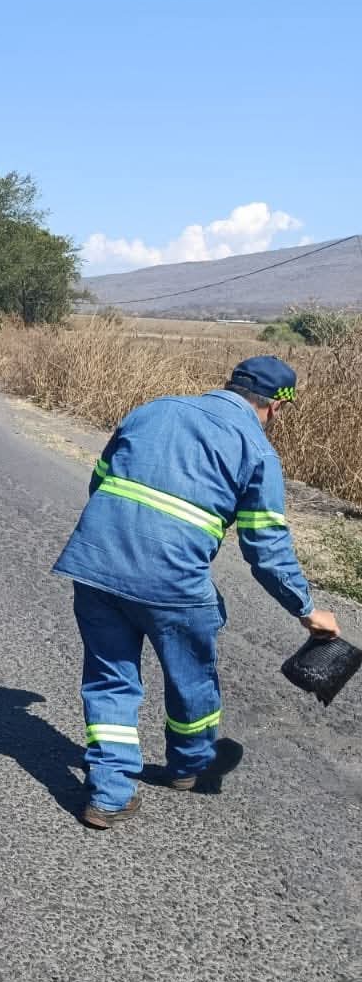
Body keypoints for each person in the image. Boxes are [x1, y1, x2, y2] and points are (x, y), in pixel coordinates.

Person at [51, 355, 341, 829]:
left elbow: (99, 483)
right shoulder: (257, 450)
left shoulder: (152, 409)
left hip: (97, 566)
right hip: (174, 585)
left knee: (109, 681)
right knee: (191, 679)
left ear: (229, 385)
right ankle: (187, 766)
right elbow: (266, 550)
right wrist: (308, 610)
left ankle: (107, 794)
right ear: (275, 408)